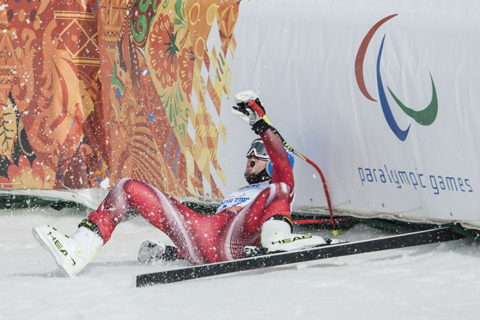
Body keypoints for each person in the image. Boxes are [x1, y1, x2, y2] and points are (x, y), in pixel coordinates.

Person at [32, 91, 327, 277]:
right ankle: (79, 249)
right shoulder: (239, 193)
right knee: (127, 187)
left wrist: (260, 125)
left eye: (259, 153)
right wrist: (170, 253)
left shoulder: (278, 186)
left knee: (278, 190)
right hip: (204, 237)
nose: (251, 157)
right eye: (249, 153)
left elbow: (284, 167)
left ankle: (278, 241)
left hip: (237, 241)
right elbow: (213, 231)